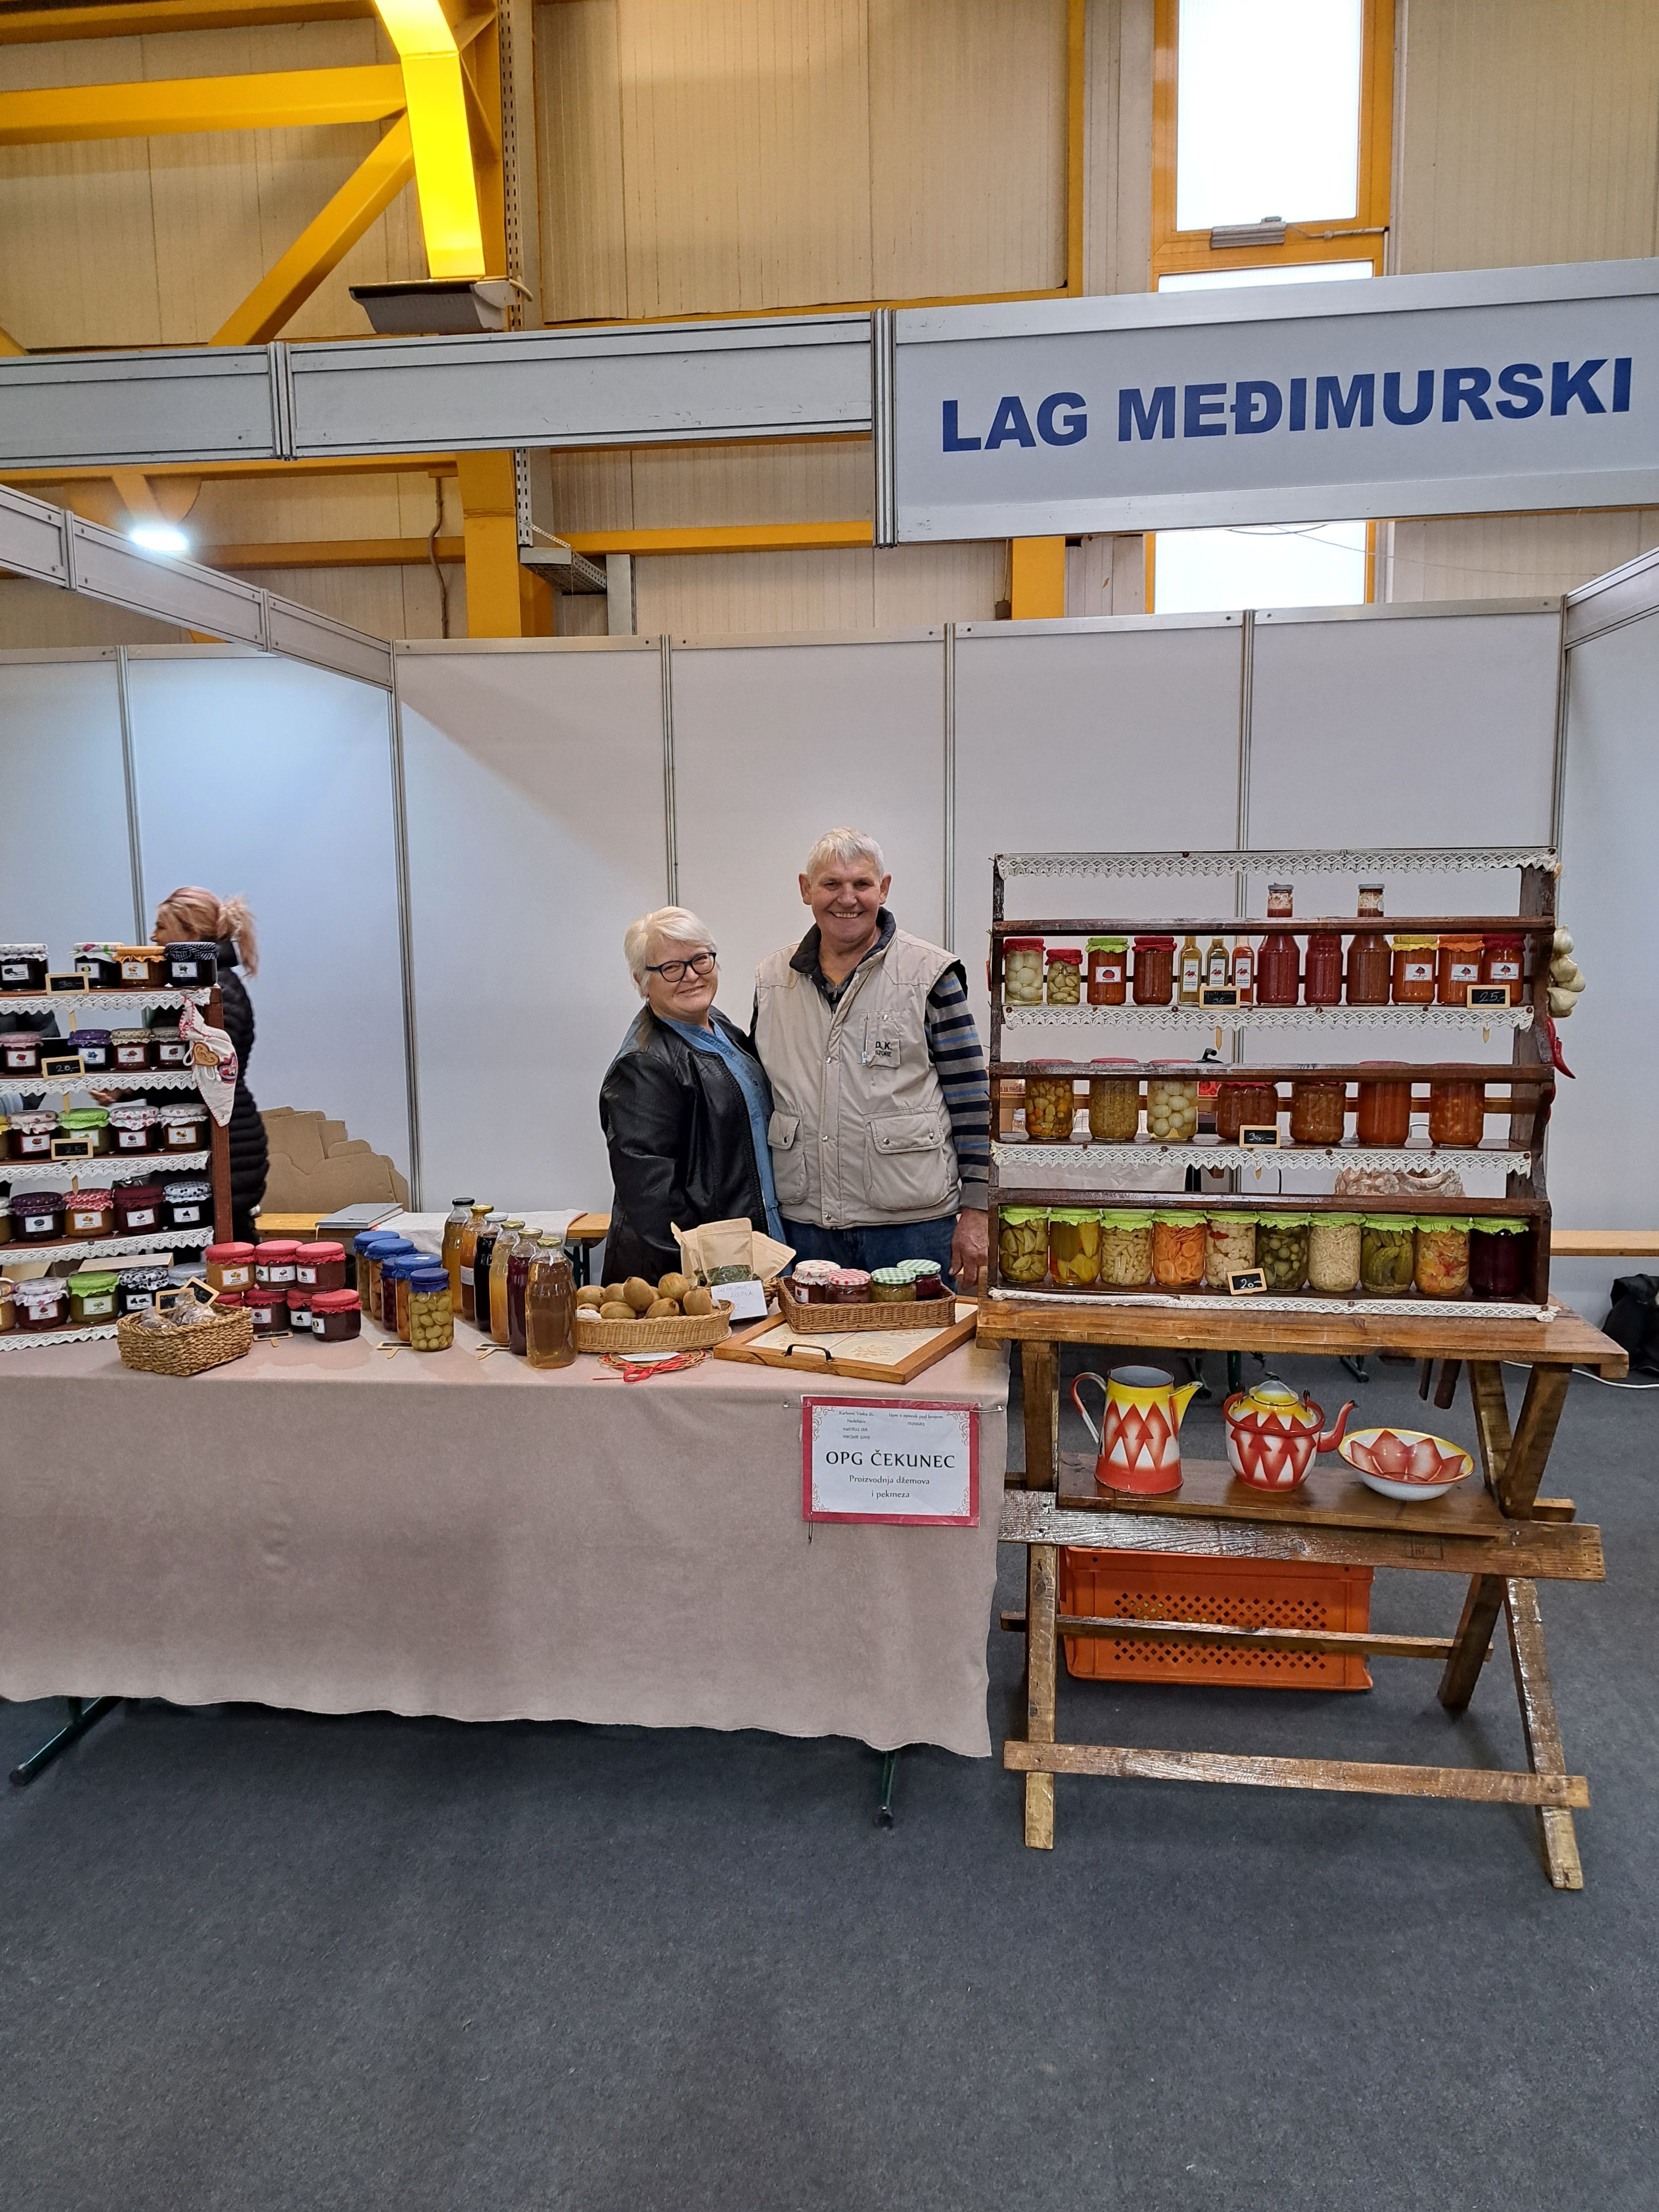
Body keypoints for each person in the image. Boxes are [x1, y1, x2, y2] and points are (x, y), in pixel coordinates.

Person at [752, 829, 989, 1289]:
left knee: (923, 1354)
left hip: (913, 1228)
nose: (847, 899)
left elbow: (972, 1101)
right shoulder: (770, 981)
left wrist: (977, 1211)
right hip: (805, 1227)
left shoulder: (930, 975)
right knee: (812, 1359)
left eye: (861, 885)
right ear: (806, 889)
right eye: (831, 885)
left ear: (883, 889)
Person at [599, 906, 782, 1285]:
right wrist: (712, 1275)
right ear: (641, 980)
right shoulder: (643, 1066)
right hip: (689, 1278)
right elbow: (653, 1201)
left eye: (700, 959)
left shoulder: (721, 1028)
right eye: (671, 968)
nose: (691, 976)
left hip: (747, 1252)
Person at [152, 888, 268, 1246]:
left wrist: (134, 1086)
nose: (154, 937)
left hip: (222, 1140)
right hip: (209, 1134)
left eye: (161, 927)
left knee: (225, 1250)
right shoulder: (195, 985)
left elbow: (208, 1072)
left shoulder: (214, 990)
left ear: (191, 933)